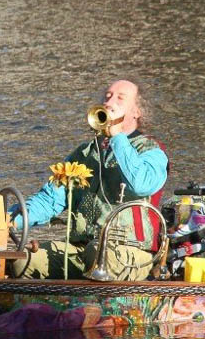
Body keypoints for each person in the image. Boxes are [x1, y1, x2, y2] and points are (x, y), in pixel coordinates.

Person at [10, 80, 169, 280]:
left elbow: (141, 183)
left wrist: (117, 136)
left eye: (120, 98)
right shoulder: (85, 154)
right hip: (80, 249)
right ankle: (39, 309)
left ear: (137, 111)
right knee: (21, 261)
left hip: (129, 253)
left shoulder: (151, 151)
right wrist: (10, 219)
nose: (109, 102)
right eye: (108, 96)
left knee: (97, 253)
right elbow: (50, 199)